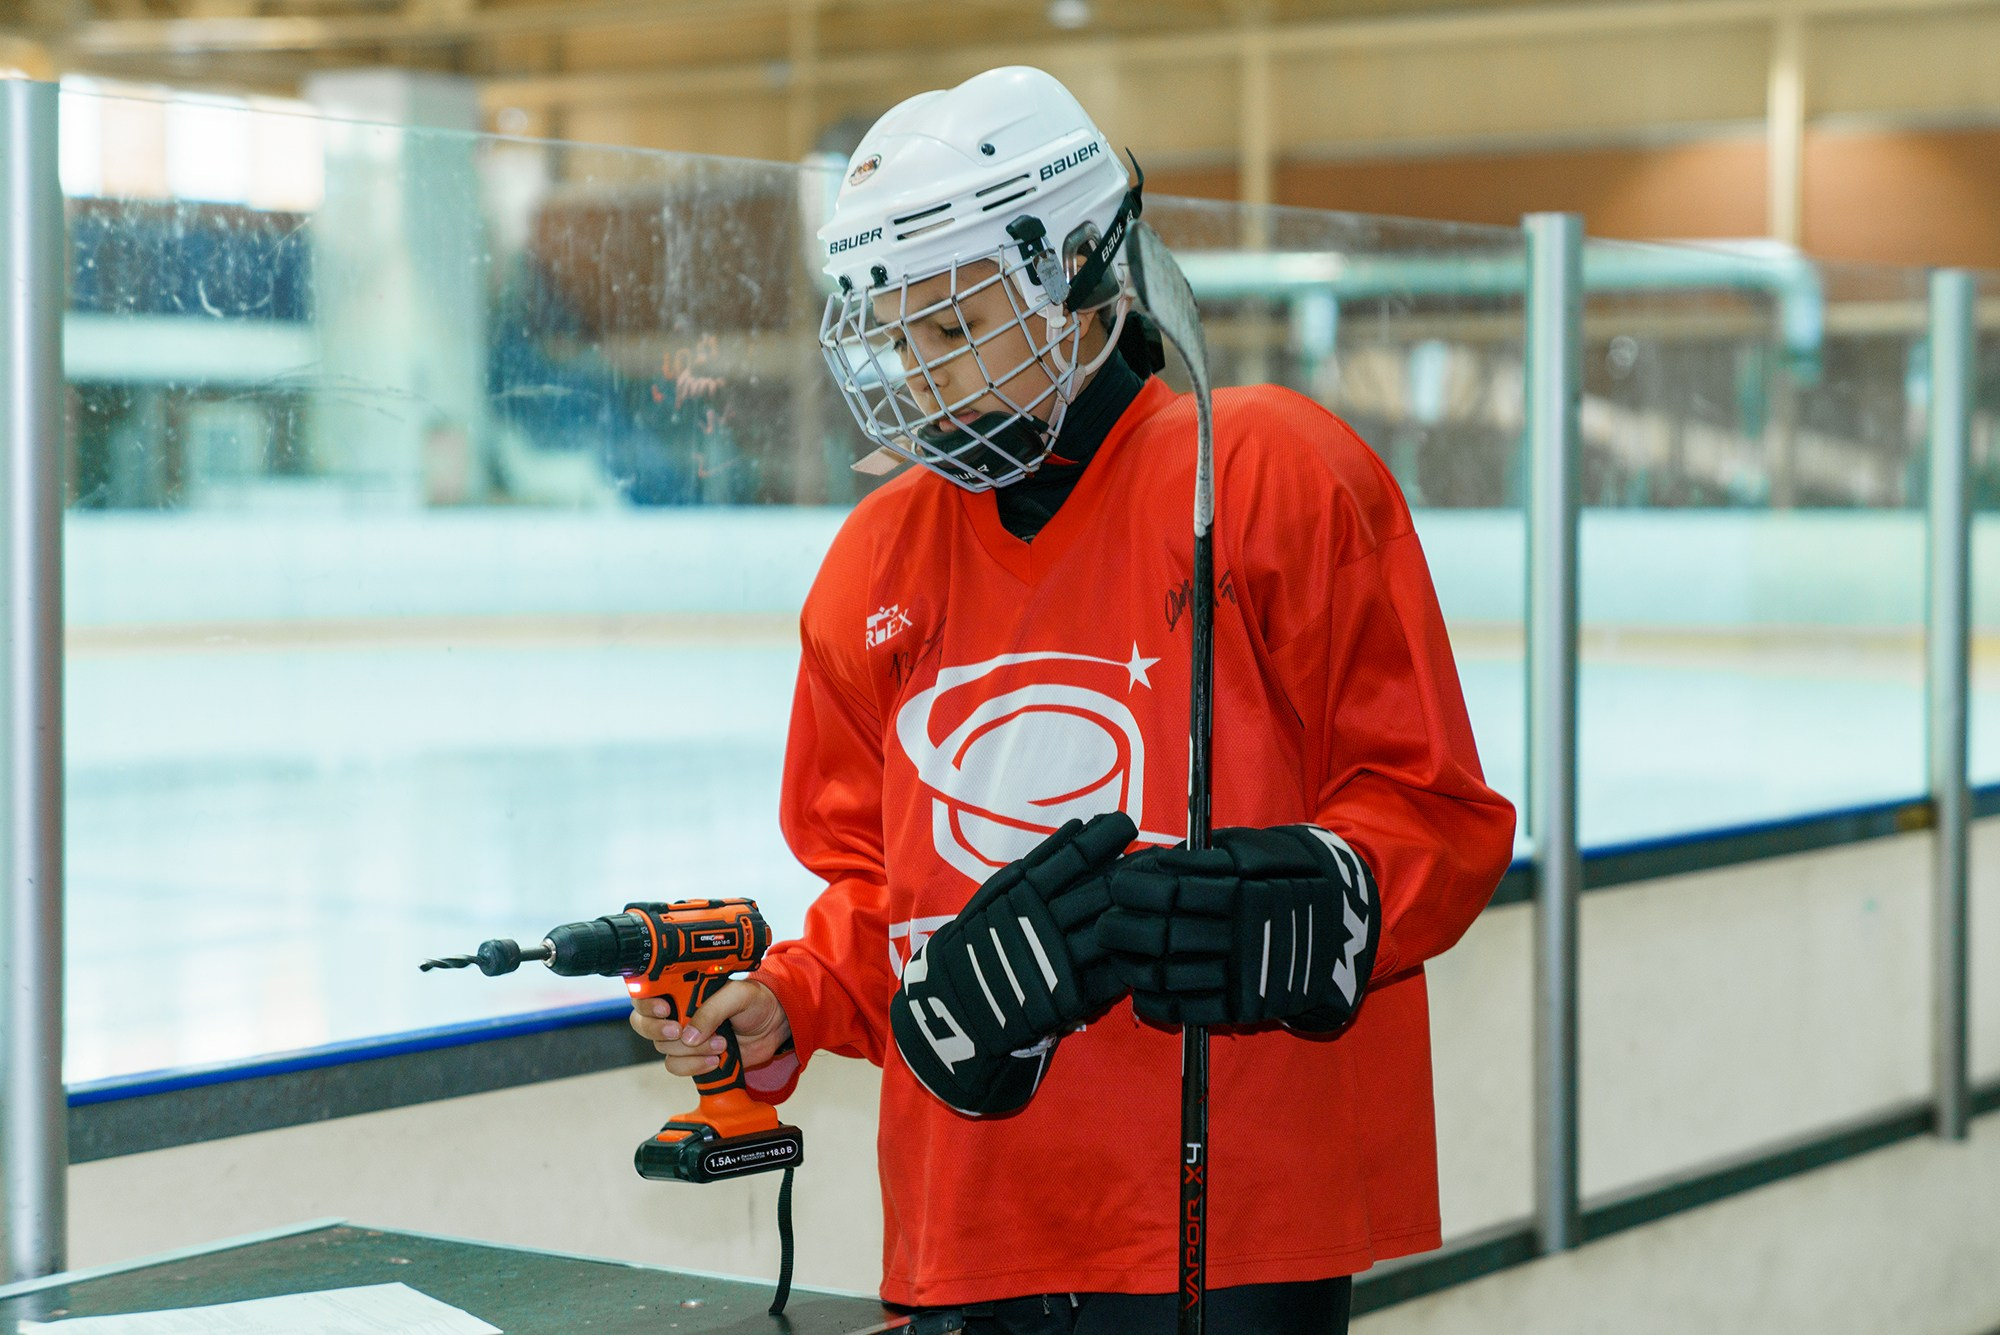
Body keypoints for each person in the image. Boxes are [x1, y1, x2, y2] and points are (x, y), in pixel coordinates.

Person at [630, 64, 1516, 1335]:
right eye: (899, 333)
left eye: (954, 329)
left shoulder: (1263, 474)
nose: (920, 379)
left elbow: (1434, 810)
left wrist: (1323, 898)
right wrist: (791, 1002)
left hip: (1228, 1224)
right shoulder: (872, 563)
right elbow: (882, 894)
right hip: (968, 1215)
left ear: (1079, 276)